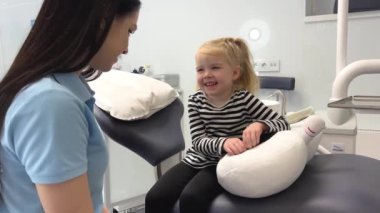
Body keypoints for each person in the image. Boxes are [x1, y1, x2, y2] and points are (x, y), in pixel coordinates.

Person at [0, 0, 141, 212]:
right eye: (129, 31)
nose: (127, 48)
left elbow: (89, 201)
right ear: (101, 23)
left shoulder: (53, 93)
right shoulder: (51, 104)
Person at [145, 37, 290, 213]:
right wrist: (223, 142)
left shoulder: (244, 99)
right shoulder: (195, 101)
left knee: (192, 198)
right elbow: (198, 141)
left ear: (235, 73)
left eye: (215, 67)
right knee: (155, 197)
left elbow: (283, 123)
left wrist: (260, 125)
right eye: (200, 69)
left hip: (223, 163)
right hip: (196, 159)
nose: (206, 74)